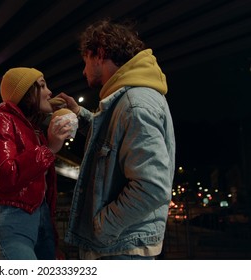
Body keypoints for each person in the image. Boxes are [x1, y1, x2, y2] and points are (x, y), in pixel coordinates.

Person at [58, 19, 176, 260]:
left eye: (86, 61)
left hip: (121, 249)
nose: (83, 71)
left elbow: (152, 187)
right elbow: (115, 141)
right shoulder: (131, 99)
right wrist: (80, 115)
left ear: (99, 54)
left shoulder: (135, 104)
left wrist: (101, 227)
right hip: (122, 246)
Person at [0, 67, 72, 259]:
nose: (49, 92)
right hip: (11, 218)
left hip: (41, 218)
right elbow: (6, 176)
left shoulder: (35, 132)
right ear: (26, 93)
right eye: (42, 86)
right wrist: (49, 149)